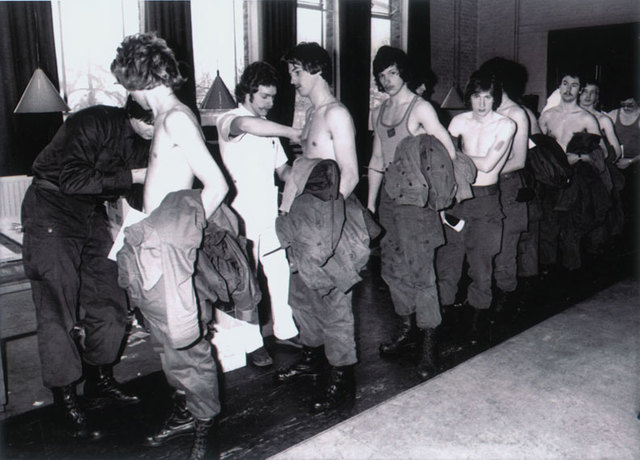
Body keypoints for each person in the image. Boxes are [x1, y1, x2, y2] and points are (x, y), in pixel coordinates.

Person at [111, 32, 229, 460]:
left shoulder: (176, 118)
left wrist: (183, 235)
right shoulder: (165, 120)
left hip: (168, 249)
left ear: (139, 78)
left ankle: (206, 425)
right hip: (151, 246)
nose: (129, 93)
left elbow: (216, 185)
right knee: (166, 341)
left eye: (127, 83)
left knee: (185, 345)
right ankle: (187, 409)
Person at [20, 97, 151, 439]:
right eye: (153, 125)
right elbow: (72, 179)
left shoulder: (147, 140)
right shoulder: (93, 121)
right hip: (50, 207)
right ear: (137, 115)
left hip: (90, 213)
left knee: (111, 297)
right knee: (56, 306)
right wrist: (136, 175)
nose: (158, 133)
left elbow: (137, 192)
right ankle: (64, 396)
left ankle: (100, 379)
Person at [274, 42, 361, 412]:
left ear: (316, 70)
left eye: (296, 71)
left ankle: (342, 378)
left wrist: (326, 227)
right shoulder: (310, 113)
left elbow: (351, 175)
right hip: (305, 221)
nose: (292, 79)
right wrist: (289, 214)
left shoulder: (336, 114)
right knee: (302, 296)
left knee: (334, 302)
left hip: (330, 222)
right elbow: (300, 170)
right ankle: (312, 358)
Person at [367, 46, 456, 381]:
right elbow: (377, 159)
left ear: (403, 72)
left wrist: (437, 192)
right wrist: (372, 204)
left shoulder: (421, 108)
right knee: (391, 268)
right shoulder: (381, 110)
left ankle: (430, 342)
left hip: (416, 199)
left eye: (392, 72)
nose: (387, 80)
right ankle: (407, 330)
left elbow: (446, 147)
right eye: (381, 75)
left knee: (421, 271)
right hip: (389, 197)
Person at [217, 61, 302, 367]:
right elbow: (249, 126)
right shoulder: (231, 119)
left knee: (279, 274)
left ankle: (285, 330)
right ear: (248, 92)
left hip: (269, 215)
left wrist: (307, 171)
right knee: (246, 282)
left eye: (273, 97)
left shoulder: (270, 132)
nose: (270, 103)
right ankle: (251, 343)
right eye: (264, 96)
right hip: (240, 217)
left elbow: (284, 170)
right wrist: (296, 131)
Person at [436, 71, 516, 347]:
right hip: (457, 199)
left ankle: (477, 325)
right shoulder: (459, 121)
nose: (481, 104)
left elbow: (486, 164)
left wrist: (452, 151)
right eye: (476, 97)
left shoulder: (505, 125)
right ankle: (439, 328)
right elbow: (438, 157)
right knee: (447, 263)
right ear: (469, 97)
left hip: (486, 201)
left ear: (495, 98)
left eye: (487, 97)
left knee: (481, 267)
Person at [477, 58, 531, 318]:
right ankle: (486, 294)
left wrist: (486, 170)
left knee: (506, 245)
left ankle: (506, 294)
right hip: (485, 188)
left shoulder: (517, 114)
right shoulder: (487, 111)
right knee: (484, 244)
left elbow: (519, 160)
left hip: (507, 186)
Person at [538, 71, 607, 273]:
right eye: (565, 84)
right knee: (548, 225)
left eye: (574, 85)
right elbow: (538, 147)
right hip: (551, 177)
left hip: (576, 177)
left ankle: (571, 274)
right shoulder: (547, 116)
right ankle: (547, 272)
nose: (568, 89)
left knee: (572, 227)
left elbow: (600, 151)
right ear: (559, 87)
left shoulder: (586, 118)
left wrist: (578, 157)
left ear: (580, 90)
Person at [579, 81, 622, 161]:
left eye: (592, 92)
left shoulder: (604, 119)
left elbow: (617, 151)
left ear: (597, 96)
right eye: (585, 91)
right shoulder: (570, 116)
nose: (588, 95)